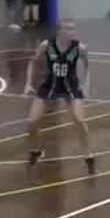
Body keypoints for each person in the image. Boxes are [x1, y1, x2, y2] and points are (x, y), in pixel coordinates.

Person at [24, 20, 94, 175]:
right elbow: (32, 62)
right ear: (59, 31)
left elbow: (88, 67)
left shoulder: (80, 48)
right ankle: (36, 149)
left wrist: (86, 85)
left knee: (79, 120)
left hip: (70, 87)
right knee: (32, 121)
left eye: (73, 29)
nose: (72, 32)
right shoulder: (46, 45)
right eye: (68, 29)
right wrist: (28, 83)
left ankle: (88, 155)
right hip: (50, 85)